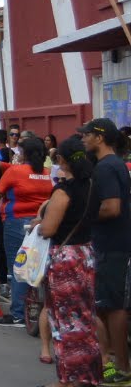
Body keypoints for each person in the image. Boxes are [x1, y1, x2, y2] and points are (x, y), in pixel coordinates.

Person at [38, 135, 102, 387]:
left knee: (66, 321)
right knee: (85, 318)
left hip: (66, 258)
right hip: (86, 255)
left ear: (61, 160)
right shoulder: (92, 187)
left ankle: (67, 379)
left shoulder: (64, 191)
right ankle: (89, 376)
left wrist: (40, 225)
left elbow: (49, 229)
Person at [79, 117, 131, 385]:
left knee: (113, 307)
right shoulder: (108, 165)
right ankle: (109, 367)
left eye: (86, 135)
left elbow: (112, 208)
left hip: (113, 248)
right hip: (106, 246)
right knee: (102, 308)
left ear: (99, 138)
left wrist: (84, 215)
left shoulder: (108, 167)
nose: (83, 139)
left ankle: (122, 368)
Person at [0, 136, 53, 327]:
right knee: (40, 264)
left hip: (16, 222)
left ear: (24, 153)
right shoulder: (48, 173)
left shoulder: (15, 171)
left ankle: (18, 313)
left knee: (17, 266)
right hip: (42, 222)